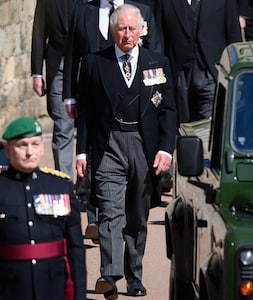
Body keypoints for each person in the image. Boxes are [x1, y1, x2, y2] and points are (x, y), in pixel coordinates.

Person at [76, 4, 177, 298]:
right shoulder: (96, 63)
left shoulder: (156, 63)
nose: (127, 34)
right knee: (110, 213)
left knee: (136, 216)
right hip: (109, 145)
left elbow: (168, 111)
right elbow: (86, 114)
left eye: (132, 28)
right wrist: (82, 153)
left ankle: (135, 276)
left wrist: (165, 150)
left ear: (142, 30)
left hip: (144, 148)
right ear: (112, 31)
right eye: (121, 29)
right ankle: (109, 274)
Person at [63, 0, 162, 243]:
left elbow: (155, 54)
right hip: (93, 97)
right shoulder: (84, 11)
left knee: (130, 181)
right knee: (95, 158)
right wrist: (70, 94)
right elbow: (73, 54)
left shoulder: (141, 12)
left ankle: (115, 217)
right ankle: (96, 218)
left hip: (130, 106)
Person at [0, 117, 86, 300]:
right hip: (10, 288)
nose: (29, 152)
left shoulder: (60, 186)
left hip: (53, 286)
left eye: (35, 144)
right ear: (7, 149)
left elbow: (75, 248)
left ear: (42, 147)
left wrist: (80, 295)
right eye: (22, 145)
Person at [155, 0, 242, 122]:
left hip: (211, 73)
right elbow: (159, 39)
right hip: (179, 76)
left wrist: (234, 72)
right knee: (182, 125)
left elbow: (234, 36)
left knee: (209, 124)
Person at [31, 0, 78, 179]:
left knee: (88, 128)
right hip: (58, 66)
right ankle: (64, 182)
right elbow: (39, 30)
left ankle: (84, 188)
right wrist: (36, 73)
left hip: (85, 67)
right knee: (62, 126)